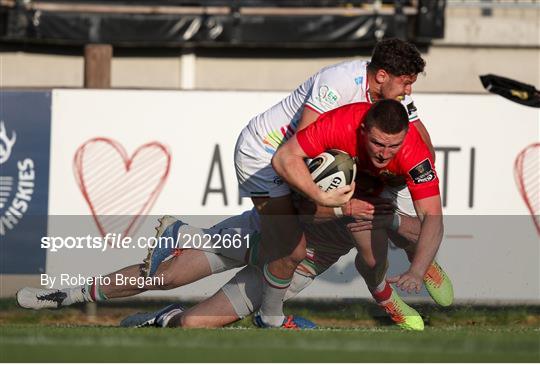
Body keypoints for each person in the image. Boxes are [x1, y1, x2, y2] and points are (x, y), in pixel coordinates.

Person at [144, 38, 439, 328]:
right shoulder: (338, 83)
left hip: (293, 158)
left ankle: (417, 266)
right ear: (382, 76)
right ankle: (263, 311)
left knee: (368, 219)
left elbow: (420, 140)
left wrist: (411, 168)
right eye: (406, 82)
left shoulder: (393, 96)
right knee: (291, 247)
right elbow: (303, 142)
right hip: (265, 154)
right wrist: (329, 199)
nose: (409, 90)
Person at [17, 207, 429, 331]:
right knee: (162, 275)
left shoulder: (382, 217)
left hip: (286, 275)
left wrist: (420, 261)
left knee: (190, 328)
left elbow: (407, 237)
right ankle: (64, 294)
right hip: (254, 239)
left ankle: (162, 320)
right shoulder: (347, 185)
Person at [273, 99, 446, 315]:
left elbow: (433, 217)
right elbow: (283, 157)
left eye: (393, 145)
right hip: (355, 184)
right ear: (363, 130)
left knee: (412, 236)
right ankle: (384, 296)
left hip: (394, 183)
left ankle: (423, 262)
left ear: (404, 135)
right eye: (378, 143)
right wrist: (320, 197)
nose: (384, 153)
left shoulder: (415, 153)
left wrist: (417, 272)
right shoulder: (339, 125)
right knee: (373, 260)